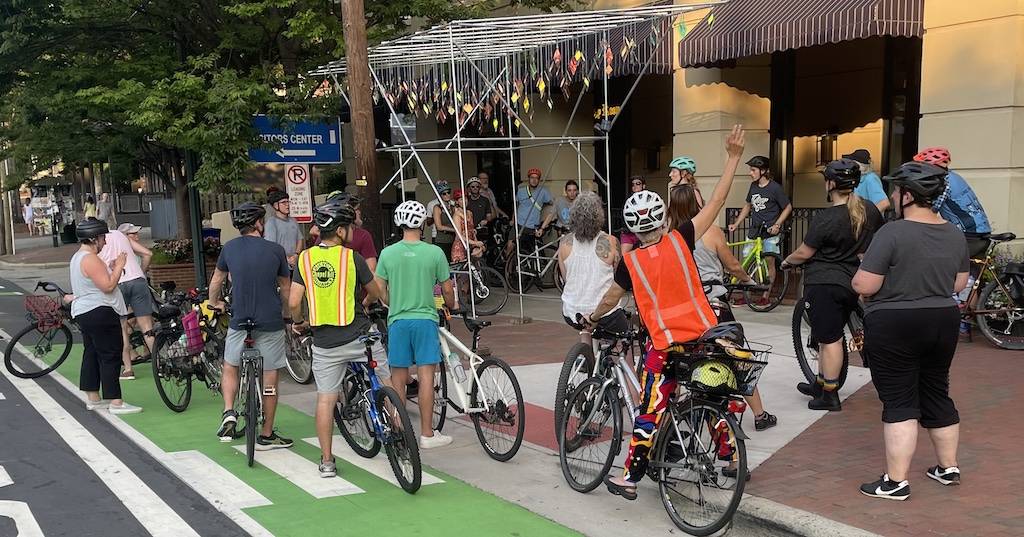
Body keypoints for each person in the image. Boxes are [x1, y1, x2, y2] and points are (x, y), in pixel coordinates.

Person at [584, 125, 746, 500]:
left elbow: (611, 299)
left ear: (632, 228)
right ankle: (729, 453)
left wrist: (592, 318)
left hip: (665, 346)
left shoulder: (631, 263)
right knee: (713, 395)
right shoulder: (682, 238)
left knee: (649, 411)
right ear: (660, 219)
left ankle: (630, 477)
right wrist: (733, 157)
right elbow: (717, 202)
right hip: (705, 336)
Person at [852, 161, 969, 501]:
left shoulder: (892, 233)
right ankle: (948, 468)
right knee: (935, 389)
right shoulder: (953, 231)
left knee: (901, 399)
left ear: (907, 195)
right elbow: (958, 282)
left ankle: (895, 482)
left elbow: (866, 283)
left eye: (895, 190)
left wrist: (864, 278)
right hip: (943, 318)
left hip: (895, 322)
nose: (892, 195)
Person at [289, 200, 388, 478]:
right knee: (386, 382)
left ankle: (327, 461)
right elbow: (375, 291)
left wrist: (299, 324)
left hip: (325, 343)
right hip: (359, 335)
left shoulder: (305, 259)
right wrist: (367, 303)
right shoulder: (351, 258)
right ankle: (400, 433)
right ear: (342, 231)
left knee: (326, 399)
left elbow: (294, 301)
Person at [667, 184, 777, 432]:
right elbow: (733, 266)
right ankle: (759, 414)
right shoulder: (711, 232)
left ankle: (673, 416)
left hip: (683, 311)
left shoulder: (668, 236)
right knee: (738, 358)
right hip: (713, 307)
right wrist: (750, 283)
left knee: (682, 362)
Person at [781, 159, 883, 411]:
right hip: (851, 282)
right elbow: (876, 243)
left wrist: (786, 261)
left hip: (824, 282)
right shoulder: (869, 210)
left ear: (831, 184)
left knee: (830, 340)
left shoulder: (826, 218)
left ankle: (829, 394)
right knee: (830, 333)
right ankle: (819, 382)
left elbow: (805, 252)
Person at [208, 201, 293, 450]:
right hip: (270, 321)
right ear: (258, 223)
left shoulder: (229, 248)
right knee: (270, 378)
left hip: (239, 320)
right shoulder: (275, 250)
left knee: (230, 366)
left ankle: (229, 412)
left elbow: (216, 282)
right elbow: (286, 289)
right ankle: (266, 434)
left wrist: (215, 303)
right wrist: (289, 317)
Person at [375, 200, 458, 449]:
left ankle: (401, 430)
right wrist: (451, 305)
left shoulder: (387, 253)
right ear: (422, 223)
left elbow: (379, 289)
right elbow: (446, 288)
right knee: (425, 378)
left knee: (398, 379)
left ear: (399, 224)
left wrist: (393, 301)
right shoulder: (434, 253)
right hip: (425, 321)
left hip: (398, 321)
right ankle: (427, 434)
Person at [69, 218, 141, 414]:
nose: (105, 242)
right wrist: (119, 265)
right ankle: (115, 401)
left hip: (85, 311)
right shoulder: (90, 259)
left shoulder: (77, 257)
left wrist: (110, 267)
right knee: (110, 354)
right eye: (102, 238)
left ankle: (93, 396)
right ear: (93, 238)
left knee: (91, 352)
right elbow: (108, 287)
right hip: (100, 310)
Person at [558, 191, 627, 344]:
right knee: (623, 337)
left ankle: (585, 358)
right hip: (604, 312)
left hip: (572, 311)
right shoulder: (611, 242)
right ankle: (627, 365)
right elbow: (617, 277)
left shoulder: (564, 243)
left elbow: (565, 278)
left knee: (584, 326)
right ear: (599, 215)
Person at [728, 156, 792, 305]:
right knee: (747, 261)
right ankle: (747, 292)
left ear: (763, 171)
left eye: (753, 170)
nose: (750, 173)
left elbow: (787, 207)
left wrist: (777, 224)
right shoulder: (753, 186)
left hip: (769, 231)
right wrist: (737, 223)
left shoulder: (775, 188)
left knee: (769, 262)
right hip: (754, 230)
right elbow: (747, 205)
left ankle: (765, 296)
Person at [98, 224, 155, 380]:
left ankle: (128, 369)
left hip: (119, 284)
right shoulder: (120, 235)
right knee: (147, 327)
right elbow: (147, 254)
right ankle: (160, 365)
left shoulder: (98, 244)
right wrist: (140, 272)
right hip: (138, 281)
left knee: (122, 328)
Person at [323, 191, 378, 271]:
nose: (359, 212)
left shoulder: (363, 235)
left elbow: (371, 268)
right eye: (356, 209)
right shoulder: (326, 235)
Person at [514, 168, 554, 255]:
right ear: (528, 179)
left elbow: (552, 203)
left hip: (533, 226)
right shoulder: (521, 191)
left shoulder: (543, 191)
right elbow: (516, 206)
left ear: (539, 180)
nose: (534, 180)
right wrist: (512, 219)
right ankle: (509, 266)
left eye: (536, 178)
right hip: (519, 224)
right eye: (532, 177)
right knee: (512, 246)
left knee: (533, 250)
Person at [263, 189, 304, 269]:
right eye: (284, 202)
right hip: (280, 266)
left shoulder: (293, 220)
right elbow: (271, 246)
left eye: (288, 202)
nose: (287, 205)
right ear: (275, 205)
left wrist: (296, 255)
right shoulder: (271, 223)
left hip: (295, 264)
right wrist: (287, 259)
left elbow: (300, 239)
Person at [451, 190, 485, 263]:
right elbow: (459, 235)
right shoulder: (456, 215)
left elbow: (472, 231)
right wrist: (474, 243)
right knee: (464, 272)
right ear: (457, 202)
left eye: (465, 198)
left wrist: (477, 242)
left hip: (470, 244)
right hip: (460, 246)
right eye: (461, 199)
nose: (464, 201)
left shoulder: (469, 213)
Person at [427, 181, 457, 260]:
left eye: (448, 192)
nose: (447, 195)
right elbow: (439, 227)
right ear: (440, 195)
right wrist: (454, 230)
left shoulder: (453, 206)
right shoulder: (437, 207)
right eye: (444, 193)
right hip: (442, 241)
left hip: (453, 240)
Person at [620, 177, 647, 254]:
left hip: (644, 233)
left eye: (638, 183)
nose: (635, 186)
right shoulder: (628, 200)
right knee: (624, 257)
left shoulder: (648, 198)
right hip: (629, 232)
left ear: (643, 186)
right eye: (633, 184)